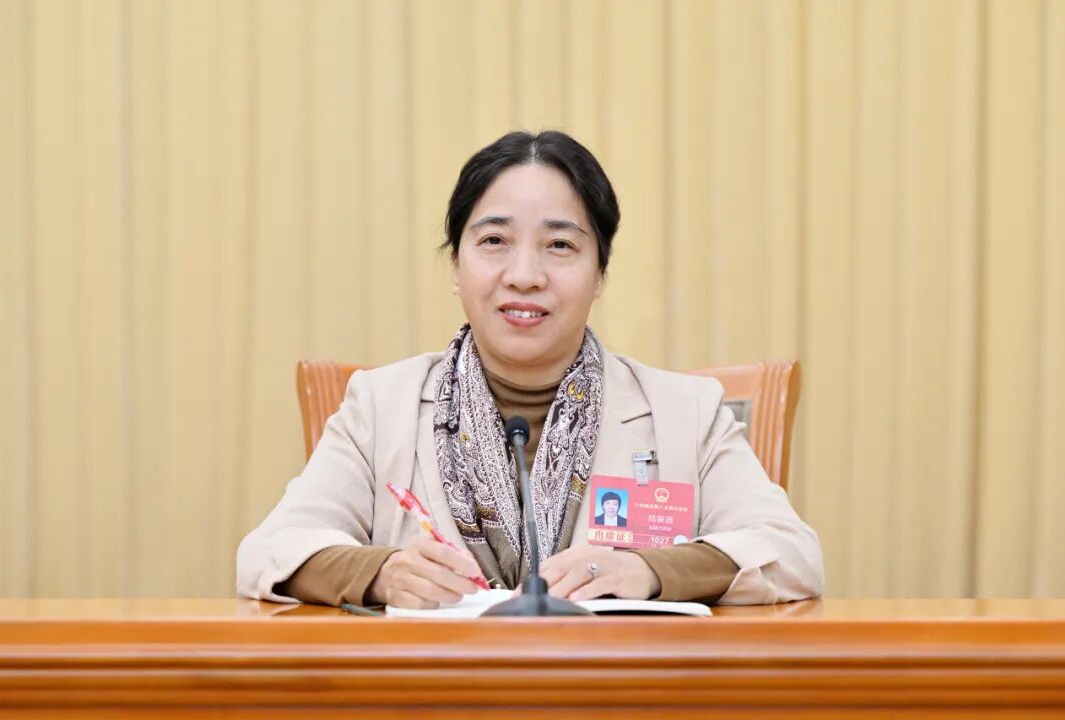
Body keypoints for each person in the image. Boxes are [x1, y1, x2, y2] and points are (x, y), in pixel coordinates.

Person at [236, 130, 824, 609]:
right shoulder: (377, 405)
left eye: (560, 246)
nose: (524, 275)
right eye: (494, 240)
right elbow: (268, 552)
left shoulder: (687, 412)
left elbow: (792, 553)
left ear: (599, 274)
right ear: (456, 266)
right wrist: (382, 573)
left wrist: (650, 570)